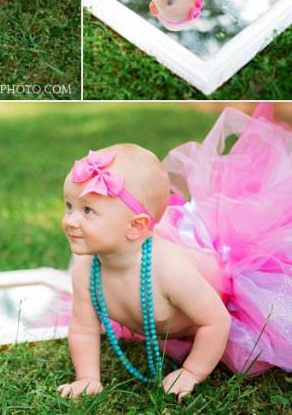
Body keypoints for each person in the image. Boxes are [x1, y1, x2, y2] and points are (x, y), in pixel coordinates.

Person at [59, 104, 292, 400]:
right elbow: (82, 327)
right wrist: (88, 377)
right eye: (69, 206)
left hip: (223, 295)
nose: (70, 220)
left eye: (88, 211)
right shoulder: (86, 269)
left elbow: (215, 320)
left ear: (135, 227)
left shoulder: (168, 269)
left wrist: (192, 371)